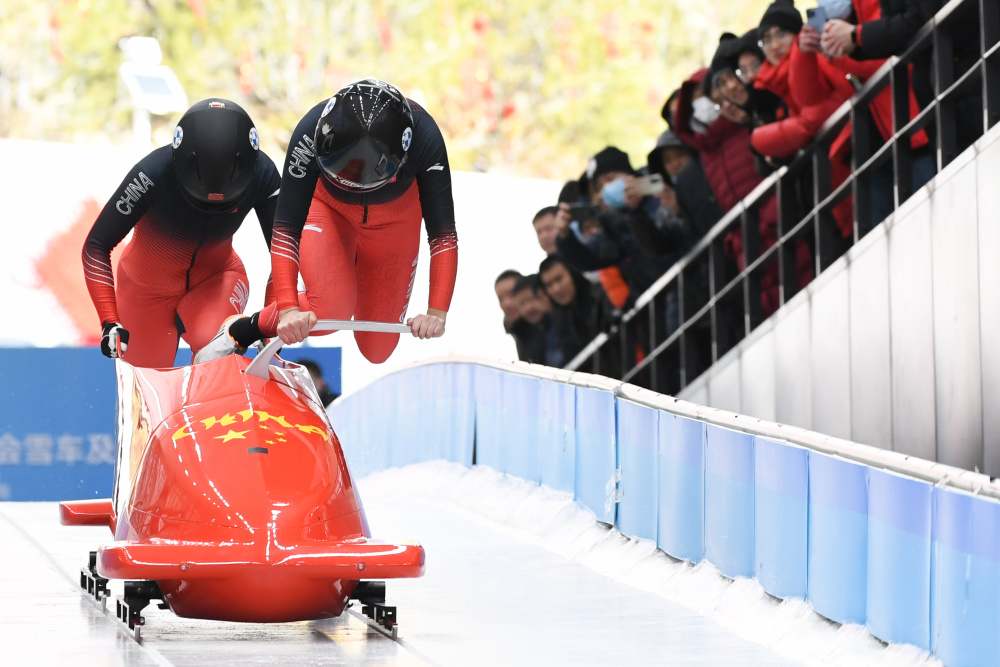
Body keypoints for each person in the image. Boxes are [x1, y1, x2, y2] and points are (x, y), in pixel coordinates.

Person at [196, 79, 457, 364]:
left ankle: (339, 277)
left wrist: (437, 312)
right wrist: (287, 310)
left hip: (395, 222)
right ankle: (241, 330)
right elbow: (285, 231)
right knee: (331, 311)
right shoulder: (308, 132)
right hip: (328, 209)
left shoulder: (427, 139)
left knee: (377, 349)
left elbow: (443, 236)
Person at [82, 98, 281, 368]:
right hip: (144, 291)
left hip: (216, 278)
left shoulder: (264, 174)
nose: (212, 206)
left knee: (216, 357)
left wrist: (273, 316)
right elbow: (96, 246)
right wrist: (109, 320)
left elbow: (286, 249)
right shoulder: (151, 174)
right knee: (146, 392)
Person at [511, 274, 560, 366]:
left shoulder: (563, 322)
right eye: (522, 304)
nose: (528, 308)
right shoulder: (522, 335)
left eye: (532, 299)